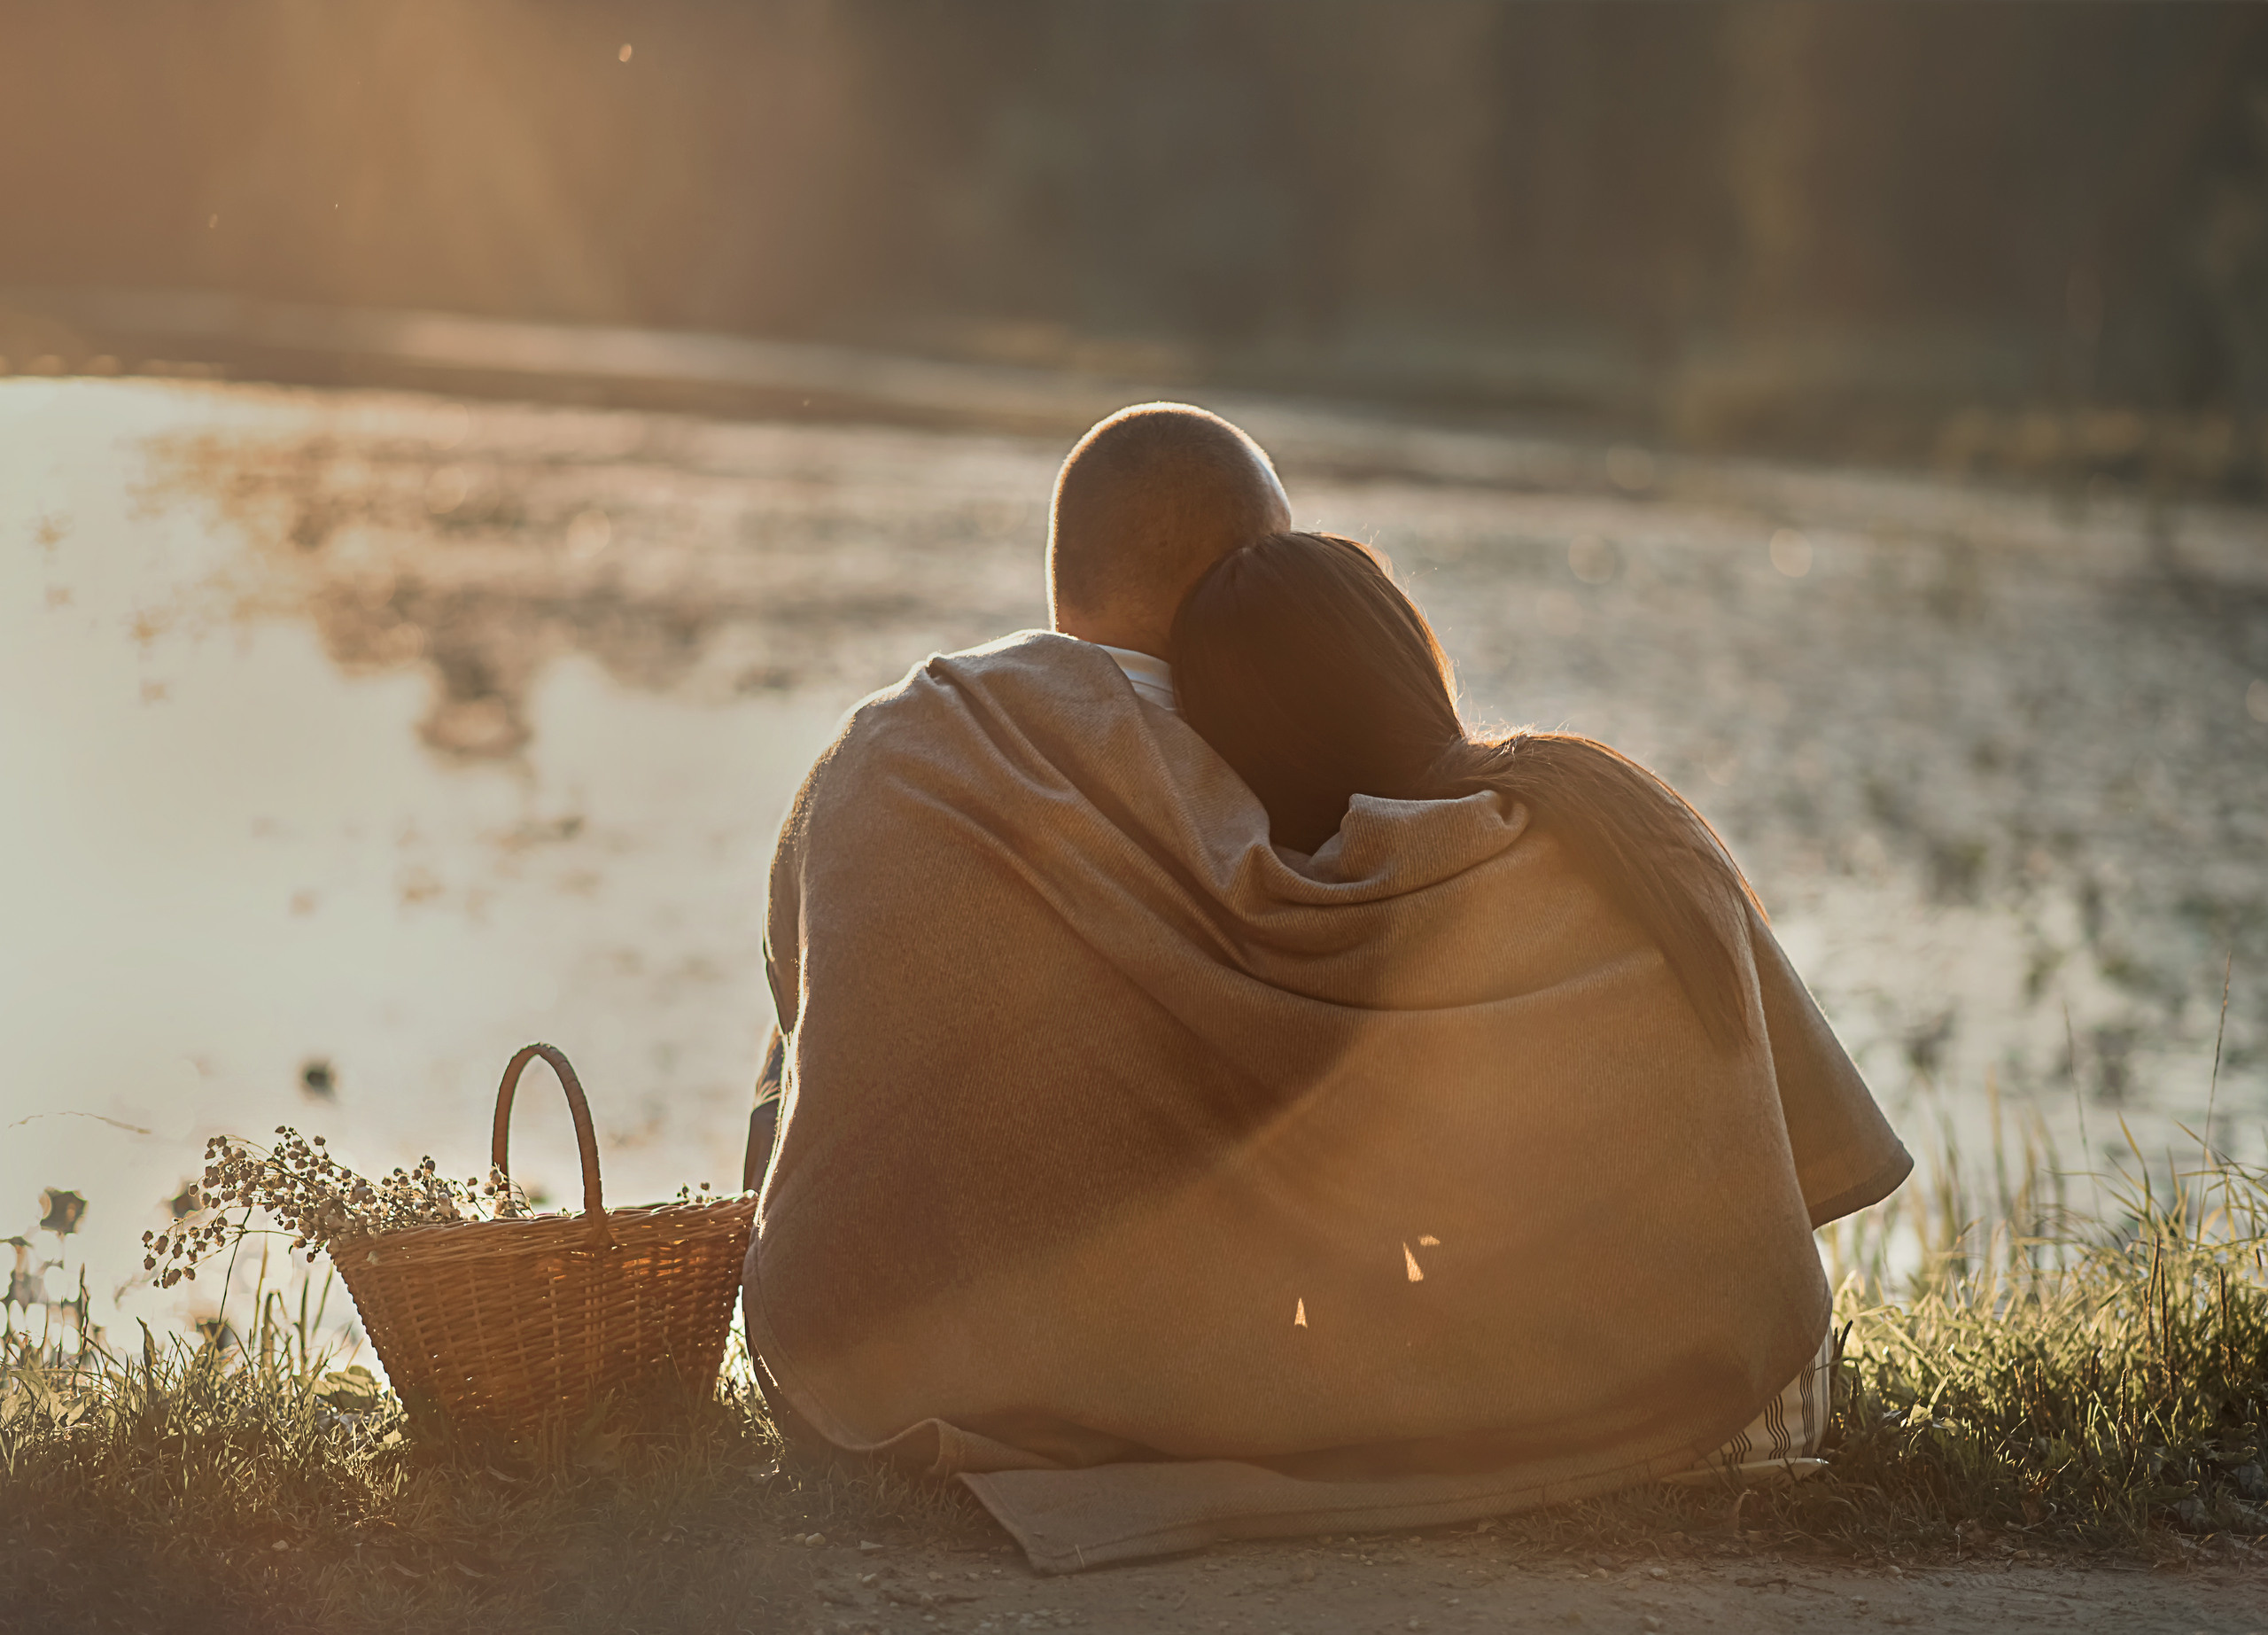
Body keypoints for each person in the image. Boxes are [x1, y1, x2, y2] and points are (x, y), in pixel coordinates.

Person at [742, 403, 1908, 1572]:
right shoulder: (1549, 809)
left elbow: (803, 1012)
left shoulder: (901, 740)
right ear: (1250, 574)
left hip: (891, 1348)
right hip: (1714, 1373)